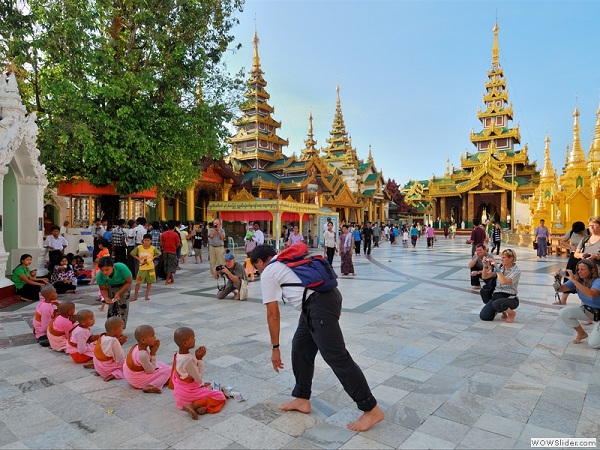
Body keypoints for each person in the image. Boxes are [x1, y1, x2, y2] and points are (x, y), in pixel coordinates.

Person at [249, 244, 384, 432]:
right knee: (300, 347)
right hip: (320, 302)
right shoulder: (285, 260)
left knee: (336, 357)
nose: (257, 270)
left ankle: (371, 409)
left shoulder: (269, 271)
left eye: (256, 266)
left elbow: (273, 314)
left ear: (260, 261)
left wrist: (275, 347)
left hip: (319, 305)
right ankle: (302, 398)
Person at [171, 327, 227, 419]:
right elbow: (198, 378)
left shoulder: (178, 355)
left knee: (208, 387)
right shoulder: (187, 360)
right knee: (220, 396)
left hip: (180, 395)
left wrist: (196, 358)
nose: (195, 339)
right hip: (188, 394)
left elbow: (187, 373)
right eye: (193, 338)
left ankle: (199, 407)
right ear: (185, 343)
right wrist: (200, 359)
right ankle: (192, 406)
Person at [557, 260, 600, 347]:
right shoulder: (578, 280)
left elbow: (591, 294)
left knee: (593, 344)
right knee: (563, 312)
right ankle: (582, 333)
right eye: (578, 269)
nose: (579, 272)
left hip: (598, 313)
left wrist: (574, 281)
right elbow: (560, 289)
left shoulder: (597, 281)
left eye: (582, 269)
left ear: (592, 270)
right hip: (589, 311)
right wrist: (557, 279)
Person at [123, 325, 171, 393]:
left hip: (130, 376)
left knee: (160, 364)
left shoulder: (137, 346)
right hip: (137, 380)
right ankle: (151, 385)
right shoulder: (142, 354)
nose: (155, 338)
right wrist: (153, 353)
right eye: (152, 336)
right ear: (143, 340)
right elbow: (150, 371)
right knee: (169, 371)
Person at [479, 249, 520, 323]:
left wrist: (496, 268)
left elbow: (504, 282)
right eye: (501, 257)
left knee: (497, 303)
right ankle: (501, 310)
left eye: (504, 258)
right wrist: (485, 266)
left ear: (511, 258)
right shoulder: (501, 267)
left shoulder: (516, 271)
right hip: (497, 295)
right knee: (484, 316)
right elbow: (485, 277)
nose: (502, 259)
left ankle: (511, 313)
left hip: (509, 297)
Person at [555, 221, 588, 305]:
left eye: (580, 233)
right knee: (568, 275)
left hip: (584, 256)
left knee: (585, 277)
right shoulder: (571, 232)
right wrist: (571, 246)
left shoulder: (588, 232)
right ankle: (563, 300)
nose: (579, 234)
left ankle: (584, 302)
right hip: (574, 256)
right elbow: (562, 241)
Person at [96, 256, 133, 328]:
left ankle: (121, 327)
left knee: (123, 306)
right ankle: (111, 327)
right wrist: (106, 297)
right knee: (112, 306)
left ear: (112, 266)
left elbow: (129, 282)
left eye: (107, 270)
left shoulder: (122, 268)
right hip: (111, 285)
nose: (104, 272)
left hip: (124, 284)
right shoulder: (100, 276)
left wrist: (118, 293)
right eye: (102, 270)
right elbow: (103, 289)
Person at [93, 317, 128, 382]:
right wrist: (119, 344)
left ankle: (99, 372)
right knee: (127, 365)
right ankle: (115, 374)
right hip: (106, 370)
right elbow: (119, 358)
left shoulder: (102, 336)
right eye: (122, 329)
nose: (122, 331)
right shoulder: (114, 340)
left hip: (98, 366)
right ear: (116, 329)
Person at [130, 234, 161, 301]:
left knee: (149, 282)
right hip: (142, 268)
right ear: (143, 240)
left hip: (150, 267)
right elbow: (132, 253)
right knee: (138, 282)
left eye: (148, 240)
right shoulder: (139, 247)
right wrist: (138, 258)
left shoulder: (153, 248)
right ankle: (135, 296)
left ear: (151, 241)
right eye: (145, 240)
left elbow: (159, 253)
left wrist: (153, 257)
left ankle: (146, 296)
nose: (146, 242)